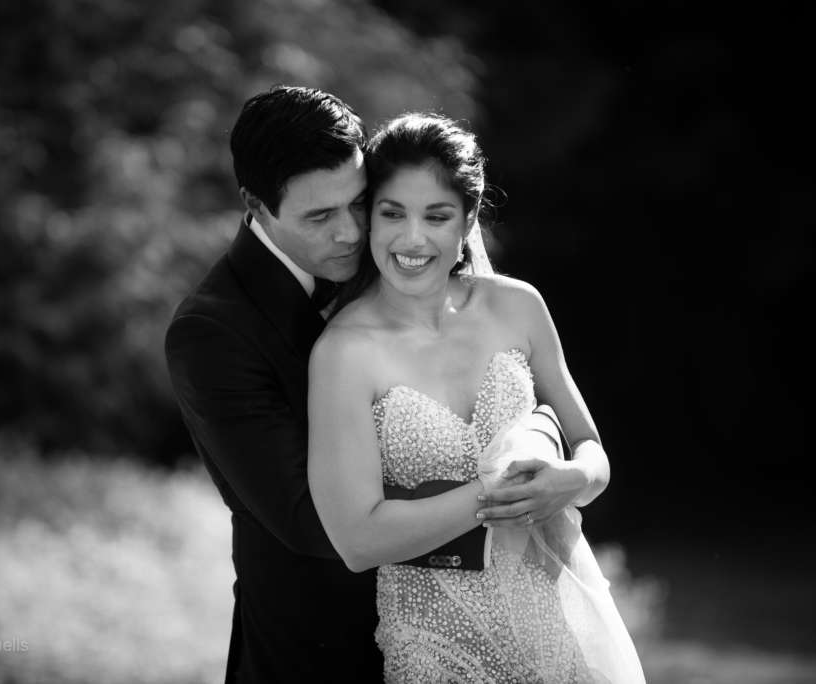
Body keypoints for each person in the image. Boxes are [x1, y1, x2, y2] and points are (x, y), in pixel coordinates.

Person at [165, 87, 574, 683]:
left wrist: (540, 430)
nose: (351, 234)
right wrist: (505, 486)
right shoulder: (212, 330)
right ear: (256, 204)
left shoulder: (393, 256)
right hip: (316, 649)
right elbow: (313, 522)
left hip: (482, 626)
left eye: (359, 204)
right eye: (319, 217)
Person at [308, 113, 645, 683]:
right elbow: (358, 540)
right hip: (436, 641)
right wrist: (495, 494)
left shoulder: (518, 306)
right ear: (369, 220)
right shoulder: (343, 352)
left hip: (558, 624)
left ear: (468, 219)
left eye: (436, 216)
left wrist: (573, 480)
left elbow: (592, 450)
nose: (412, 239)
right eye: (392, 214)